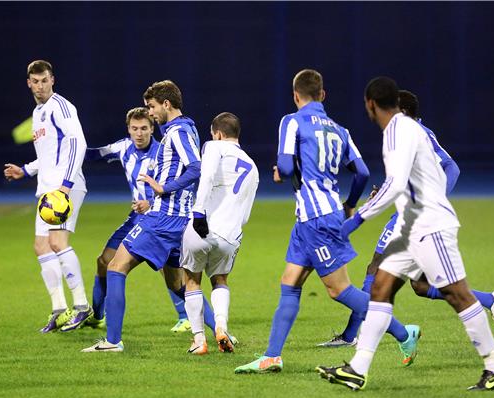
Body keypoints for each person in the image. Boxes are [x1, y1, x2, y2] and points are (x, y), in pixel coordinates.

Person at [316, 77, 494, 391]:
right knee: (381, 287)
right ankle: (357, 368)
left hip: (430, 225)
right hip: (411, 226)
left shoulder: (399, 129)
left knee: (457, 294)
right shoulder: (404, 129)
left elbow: (395, 183)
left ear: (370, 104)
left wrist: (356, 220)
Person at [235, 69, 376, 373]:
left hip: (316, 218)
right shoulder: (341, 130)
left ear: (295, 95)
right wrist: (350, 204)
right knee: (289, 282)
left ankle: (404, 332)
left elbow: (285, 167)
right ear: (323, 95)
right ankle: (271, 356)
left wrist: (279, 172)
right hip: (317, 215)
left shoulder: (292, 121)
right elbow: (363, 173)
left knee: (339, 290)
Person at [82, 80, 202, 352]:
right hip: (176, 219)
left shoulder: (177, 132)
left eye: (152, 107)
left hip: (162, 217)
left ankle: (112, 341)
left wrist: (163, 188)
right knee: (178, 283)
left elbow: (196, 167)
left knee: (115, 266)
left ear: (166, 104)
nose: (150, 112)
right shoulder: (184, 129)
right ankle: (220, 330)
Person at [4, 60, 92, 333]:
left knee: (57, 242)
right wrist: (26, 170)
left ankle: (81, 307)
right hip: (47, 190)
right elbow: (47, 154)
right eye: (35, 81)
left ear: (52, 79)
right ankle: (59, 309)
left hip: (66, 187)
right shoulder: (38, 112)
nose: (40, 85)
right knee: (41, 247)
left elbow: (79, 143)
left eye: (45, 80)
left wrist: (65, 186)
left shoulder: (61, 107)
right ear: (28, 83)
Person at [182, 112, 259, 355]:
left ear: (218, 133)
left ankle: (198, 340)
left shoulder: (214, 146)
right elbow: (245, 214)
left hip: (202, 227)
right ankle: (222, 327)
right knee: (220, 281)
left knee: (192, 280)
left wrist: (199, 212)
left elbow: (205, 177)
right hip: (230, 235)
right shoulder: (253, 167)